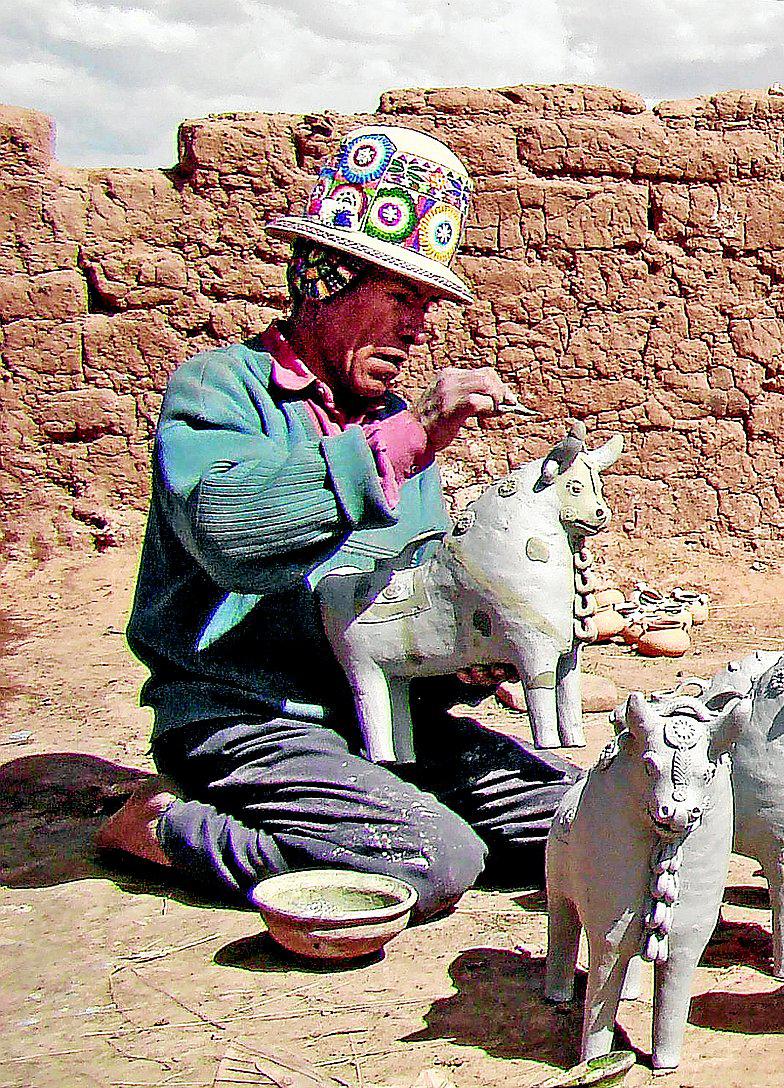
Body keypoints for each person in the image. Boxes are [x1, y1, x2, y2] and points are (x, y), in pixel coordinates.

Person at [96, 126, 578, 919]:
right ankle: (164, 827)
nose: (417, 329)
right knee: (436, 860)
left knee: (586, 817)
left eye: (425, 306)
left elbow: (401, 602)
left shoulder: (394, 431)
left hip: (376, 720)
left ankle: (365, 811)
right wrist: (404, 441)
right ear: (323, 279)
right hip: (249, 718)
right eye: (400, 298)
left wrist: (463, 658)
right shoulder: (221, 391)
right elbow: (229, 536)